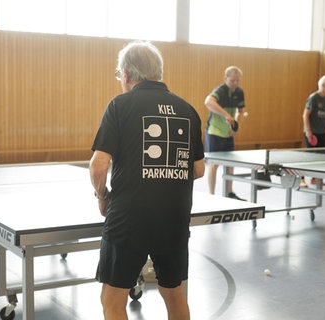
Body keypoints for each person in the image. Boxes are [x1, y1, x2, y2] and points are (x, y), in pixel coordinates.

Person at [89, 41, 205, 320]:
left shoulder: (120, 105)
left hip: (129, 218)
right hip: (174, 217)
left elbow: (98, 165)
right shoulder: (188, 110)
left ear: (127, 74)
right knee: (174, 293)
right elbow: (199, 169)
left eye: (119, 75)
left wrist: (102, 195)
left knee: (113, 299)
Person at [204, 66, 245, 200]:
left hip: (228, 134)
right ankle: (211, 195)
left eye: (237, 80)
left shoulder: (239, 92)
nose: (235, 83)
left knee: (230, 163)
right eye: (232, 80)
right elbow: (208, 102)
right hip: (214, 132)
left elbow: (241, 111)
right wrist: (226, 115)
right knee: (214, 164)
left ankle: (229, 192)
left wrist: (235, 127)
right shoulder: (220, 91)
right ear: (225, 78)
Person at [300, 75, 325, 187]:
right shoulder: (313, 98)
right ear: (322, 85)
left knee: (321, 157)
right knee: (309, 157)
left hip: (322, 132)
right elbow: (305, 115)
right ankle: (301, 179)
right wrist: (308, 131)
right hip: (312, 132)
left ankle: (315, 178)